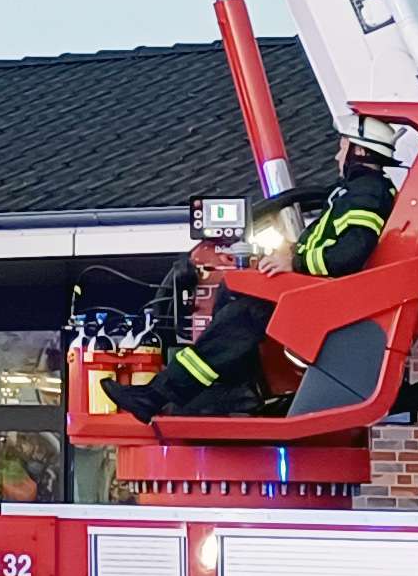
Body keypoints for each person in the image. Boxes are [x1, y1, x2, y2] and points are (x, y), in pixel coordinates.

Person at [113, 121, 401, 422]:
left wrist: (295, 263)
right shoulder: (356, 192)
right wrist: (290, 251)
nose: (336, 156)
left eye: (342, 147)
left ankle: (162, 394)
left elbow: (350, 253)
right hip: (320, 295)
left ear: (358, 150)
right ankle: (230, 391)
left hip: (326, 303)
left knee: (244, 315)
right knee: (235, 291)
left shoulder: (367, 193)